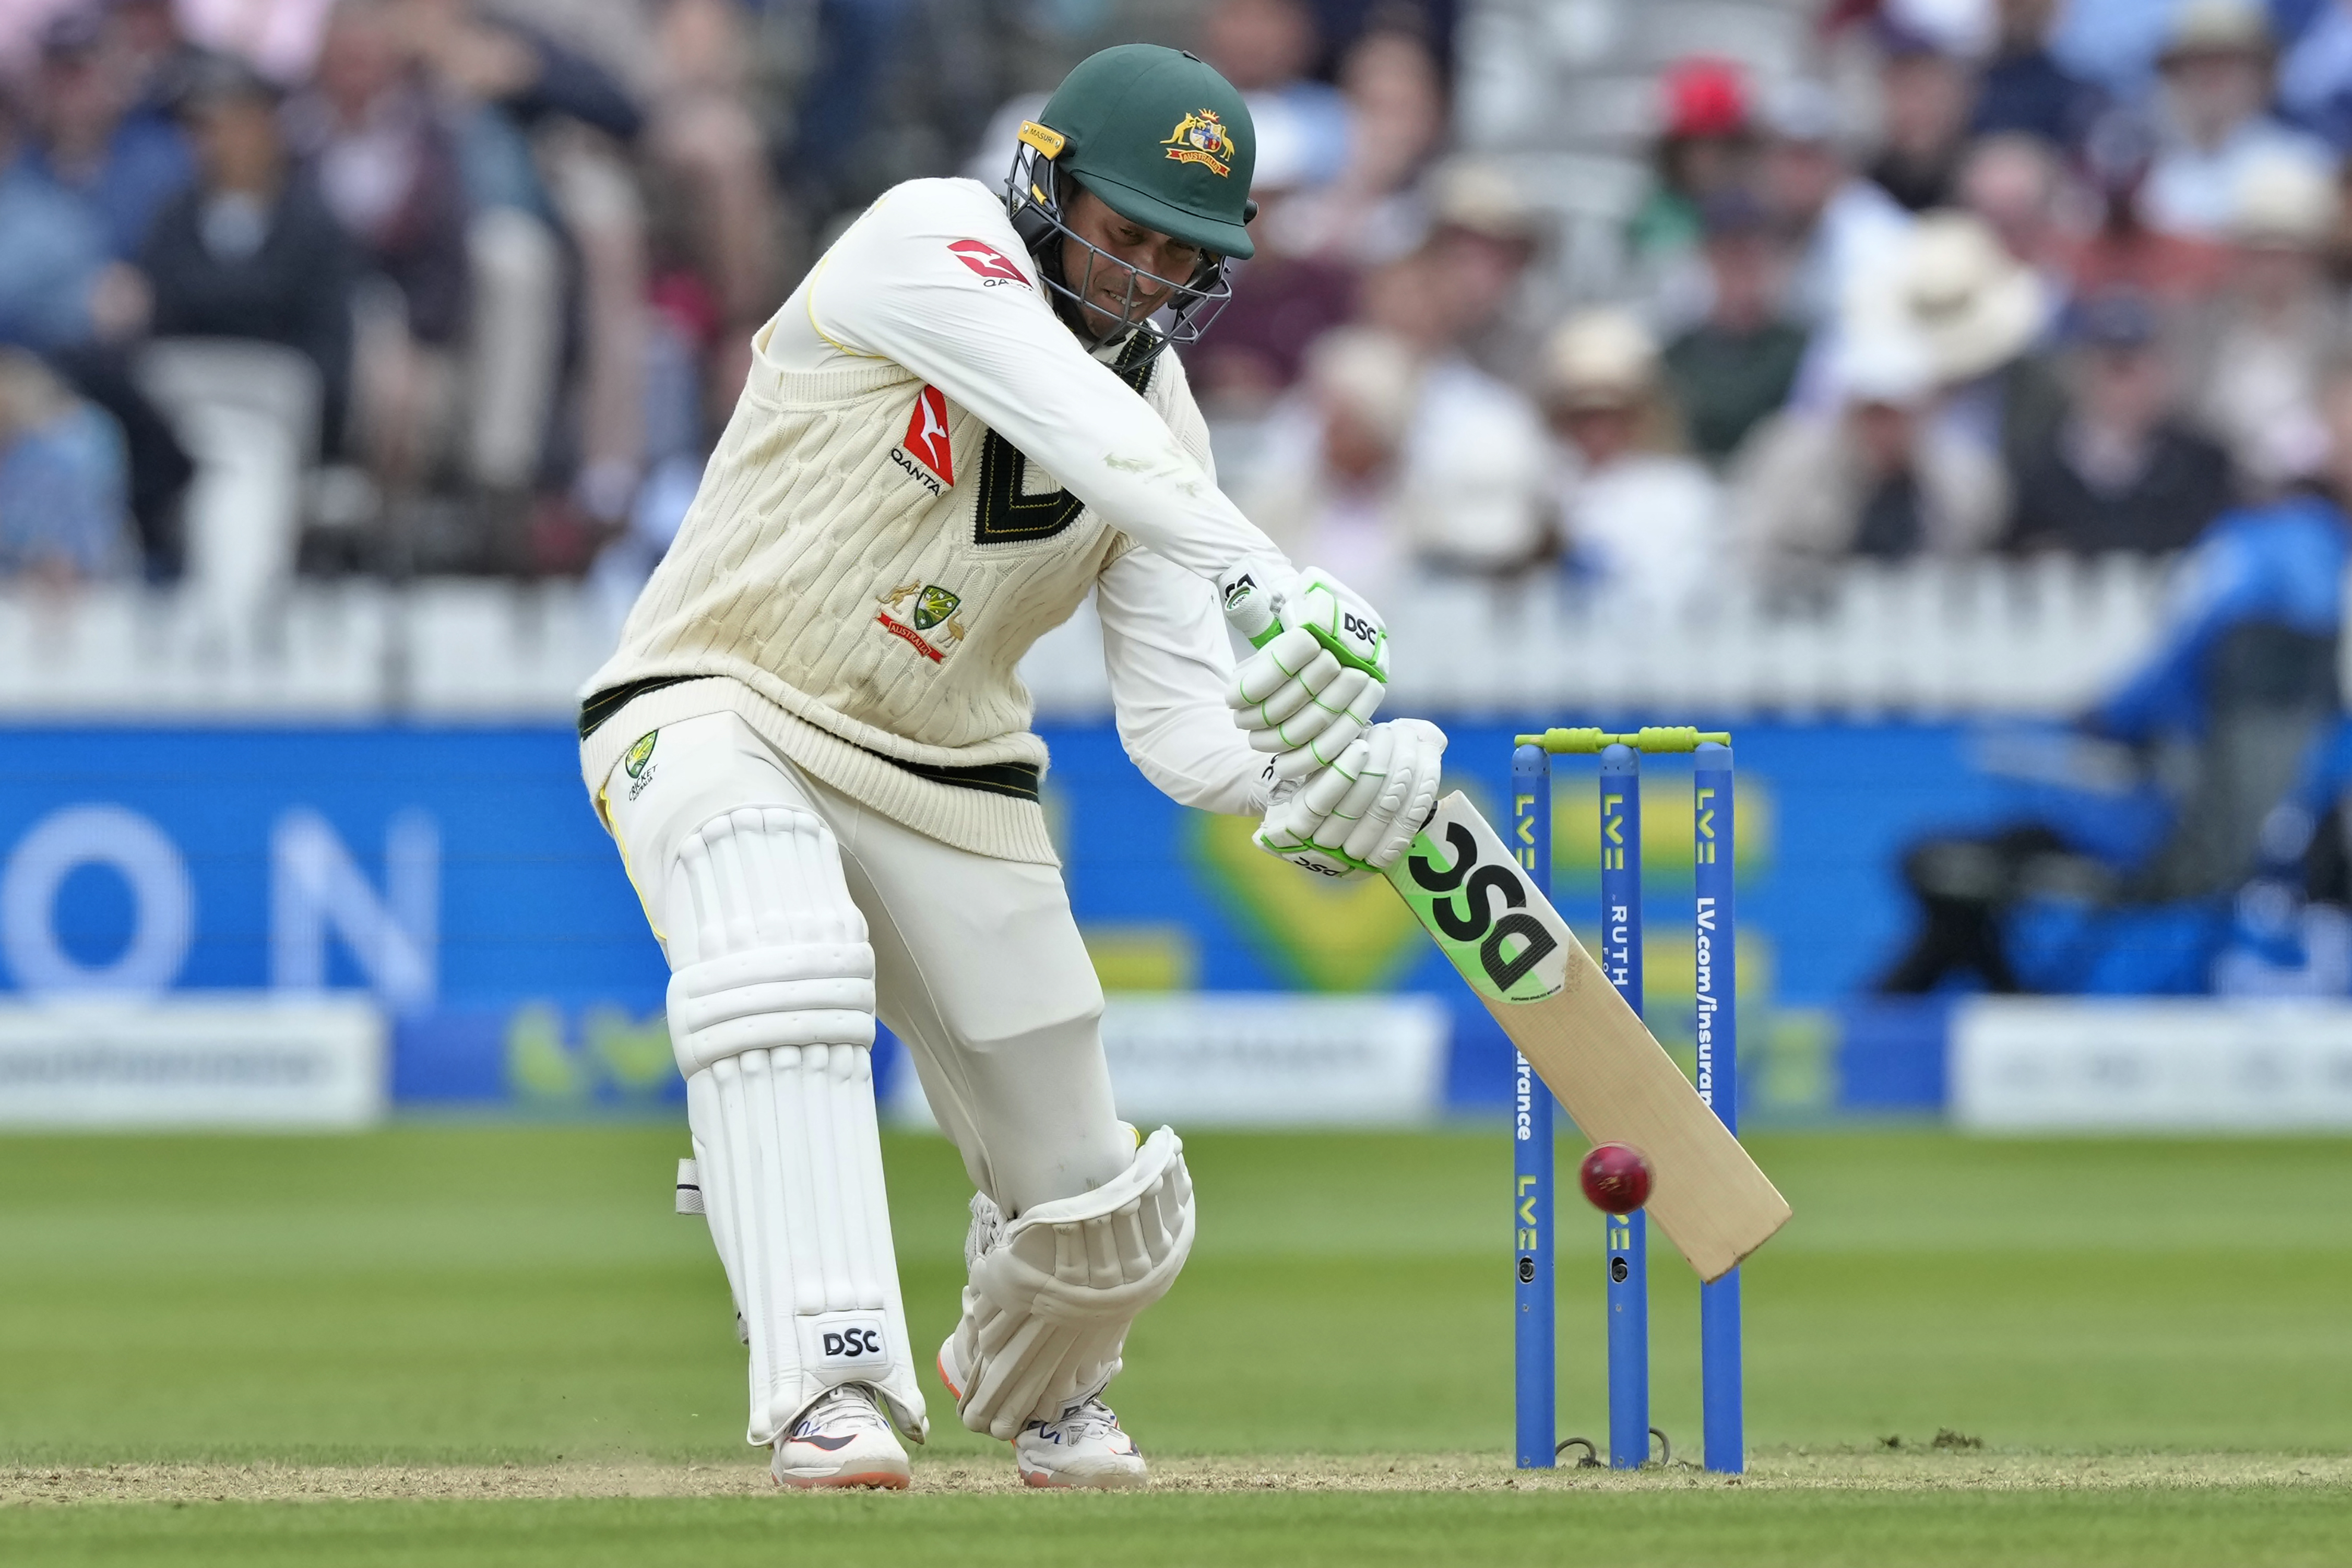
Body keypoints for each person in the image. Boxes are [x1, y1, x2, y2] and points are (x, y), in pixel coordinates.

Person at [578, 44, 1445, 1492]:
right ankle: (827, 1385)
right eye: (1126, 233)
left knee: (1099, 1207)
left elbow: (1178, 726)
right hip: (716, 694)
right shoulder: (929, 238)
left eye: (1183, 257)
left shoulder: (1163, 418)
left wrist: (1308, 783)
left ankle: (1040, 1390)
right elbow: (1082, 432)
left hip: (954, 775)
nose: (1147, 281)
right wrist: (1266, 573)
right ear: (1047, 188)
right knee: (780, 948)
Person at [1732, 328, 2008, 593]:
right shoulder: (1792, 468)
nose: (1885, 431)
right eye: (1873, 414)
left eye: (1899, 414)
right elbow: (1752, 553)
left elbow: (1981, 554)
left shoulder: (1965, 479)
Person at [2005, 291, 2236, 554]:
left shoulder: (2203, 465)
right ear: (2082, 372)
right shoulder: (2040, 466)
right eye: (2114, 369)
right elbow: (2014, 550)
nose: (2124, 388)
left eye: (2137, 368)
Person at [2180, 149, 2351, 490]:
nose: (2274, 270)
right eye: (2261, 254)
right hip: (2211, 487)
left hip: (2316, 496)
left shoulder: (2341, 331)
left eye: (2287, 255)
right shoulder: (2197, 327)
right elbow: (2184, 416)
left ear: (2311, 258)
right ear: (2239, 256)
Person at [1542, 309, 1722, 611]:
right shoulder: (1549, 486)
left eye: (1612, 415)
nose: (1597, 431)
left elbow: (1678, 593)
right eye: (1582, 417)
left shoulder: (1680, 493)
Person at [2142, 0, 2335, 240]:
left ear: (2264, 75)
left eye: (2225, 64)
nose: (2209, 79)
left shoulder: (2304, 165)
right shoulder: (2153, 173)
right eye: (2196, 64)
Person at [1660, 190, 1808, 465]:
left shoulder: (1801, 352)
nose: (1743, 271)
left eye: (1753, 256)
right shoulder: (1677, 355)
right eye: (1730, 256)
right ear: (1709, 259)